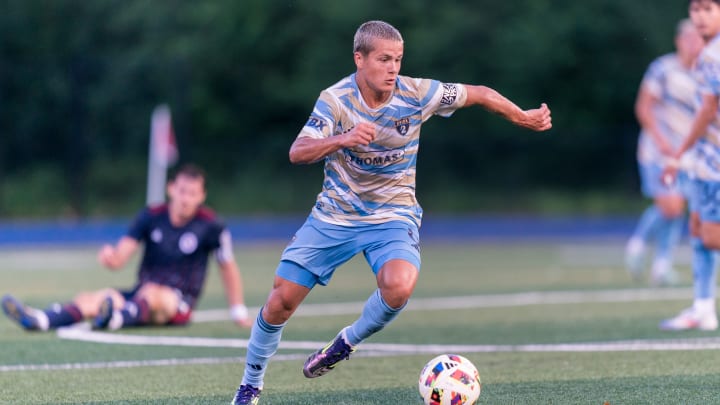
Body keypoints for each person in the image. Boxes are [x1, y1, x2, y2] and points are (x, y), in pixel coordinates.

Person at [231, 20, 552, 404]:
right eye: (384, 59)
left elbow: (479, 93)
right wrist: (343, 139)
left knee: (399, 286)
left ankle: (345, 343)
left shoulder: (417, 92)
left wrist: (522, 116)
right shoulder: (335, 100)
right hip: (335, 216)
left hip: (392, 214)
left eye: (398, 59)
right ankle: (251, 384)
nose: (393, 68)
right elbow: (297, 151)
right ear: (359, 58)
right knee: (280, 302)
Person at [2, 163, 253, 331]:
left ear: (202, 196)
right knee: (96, 298)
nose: (186, 199)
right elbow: (121, 256)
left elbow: (227, 267)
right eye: (182, 191)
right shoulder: (150, 216)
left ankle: (113, 319)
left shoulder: (212, 226)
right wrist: (111, 258)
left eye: (192, 193)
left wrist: (238, 310)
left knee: (154, 295)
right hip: (142, 294)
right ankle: (41, 319)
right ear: (171, 189)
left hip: (177, 303)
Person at [625, 19, 704, 286]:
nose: (694, 43)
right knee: (670, 206)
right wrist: (661, 143)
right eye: (688, 38)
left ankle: (662, 265)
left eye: (698, 38)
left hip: (686, 154)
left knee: (677, 208)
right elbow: (643, 108)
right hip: (657, 152)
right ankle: (636, 245)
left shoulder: (706, 72)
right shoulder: (662, 69)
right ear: (678, 41)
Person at [659, 0, 720, 331]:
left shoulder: (713, 55)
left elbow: (709, 109)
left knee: (710, 236)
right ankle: (703, 307)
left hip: (714, 163)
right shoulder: (708, 53)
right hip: (705, 161)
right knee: (698, 231)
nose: (699, 16)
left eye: (708, 9)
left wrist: (678, 152)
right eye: (695, 9)